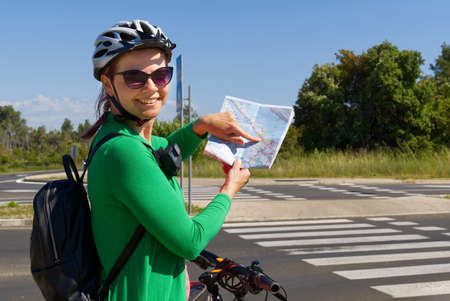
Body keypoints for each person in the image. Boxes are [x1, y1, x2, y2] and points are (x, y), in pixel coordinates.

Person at [82, 19, 260, 301]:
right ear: (108, 83)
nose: (151, 87)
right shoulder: (124, 152)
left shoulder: (120, 136)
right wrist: (229, 189)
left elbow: (164, 149)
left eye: (161, 75)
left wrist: (201, 126)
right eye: (134, 78)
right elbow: (190, 241)